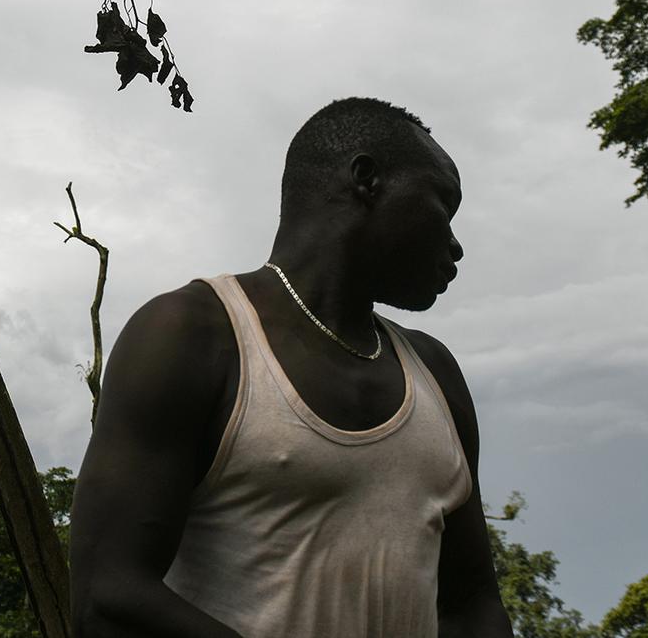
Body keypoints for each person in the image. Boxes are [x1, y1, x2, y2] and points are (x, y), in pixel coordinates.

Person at [70, 97, 511, 637]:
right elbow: (107, 596)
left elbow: (473, 605)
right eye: (444, 204)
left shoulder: (436, 375)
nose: (457, 245)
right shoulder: (193, 335)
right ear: (366, 180)